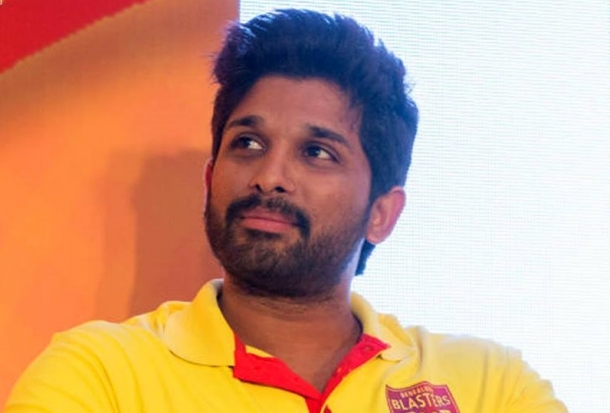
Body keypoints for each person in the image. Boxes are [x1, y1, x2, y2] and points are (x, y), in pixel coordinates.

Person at [6, 9, 567, 413]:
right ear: (209, 180)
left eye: (317, 152)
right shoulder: (101, 373)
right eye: (247, 143)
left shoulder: (490, 386)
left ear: (382, 214)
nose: (269, 176)